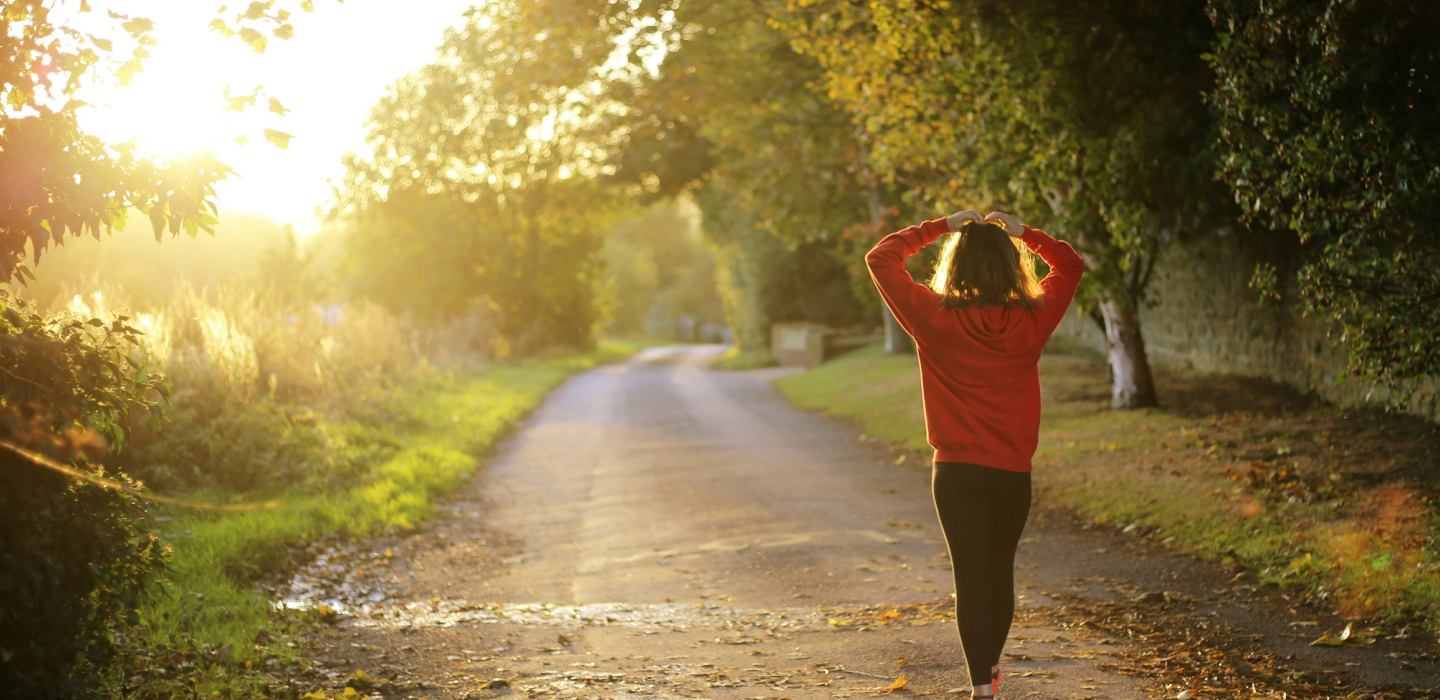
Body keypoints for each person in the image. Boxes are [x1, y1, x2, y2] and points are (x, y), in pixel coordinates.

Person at [865, 210, 1084, 699]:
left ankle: (981, 688)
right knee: (999, 572)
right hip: (1011, 472)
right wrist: (1025, 233)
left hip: (956, 471)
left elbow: (881, 258)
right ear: (1012, 266)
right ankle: (989, 671)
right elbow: (1069, 265)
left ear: (955, 266)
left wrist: (940, 226)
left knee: (970, 578)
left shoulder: (933, 316)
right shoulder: (1033, 317)